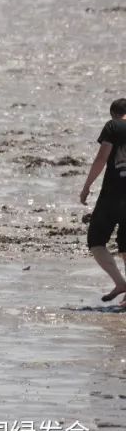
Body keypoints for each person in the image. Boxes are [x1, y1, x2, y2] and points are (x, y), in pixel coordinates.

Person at [79, 98, 126, 304]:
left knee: (96, 241)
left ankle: (121, 283)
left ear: (113, 113)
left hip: (113, 194)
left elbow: (101, 158)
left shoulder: (113, 126)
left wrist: (86, 186)